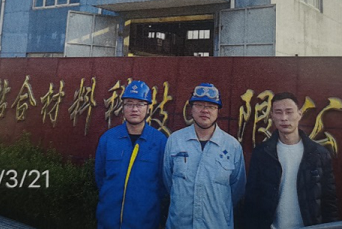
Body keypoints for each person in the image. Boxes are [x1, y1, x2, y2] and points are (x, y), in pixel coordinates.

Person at [243, 92, 339, 229]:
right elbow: (252, 200)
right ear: (272, 116)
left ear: (299, 114)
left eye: (289, 112)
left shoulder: (318, 154)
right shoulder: (262, 154)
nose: (284, 118)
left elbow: (329, 201)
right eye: (278, 112)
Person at [163, 83, 246, 229]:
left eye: (211, 106)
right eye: (199, 105)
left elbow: (237, 188)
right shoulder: (175, 140)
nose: (205, 110)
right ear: (191, 109)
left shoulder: (232, 146)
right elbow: (168, 181)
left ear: (218, 111)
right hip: (179, 224)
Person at [95, 80, 167, 229]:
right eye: (129, 104)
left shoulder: (160, 141)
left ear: (148, 108)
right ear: (123, 107)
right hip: (108, 221)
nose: (134, 109)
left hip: (144, 222)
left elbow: (163, 183)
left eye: (140, 104)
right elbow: (100, 176)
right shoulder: (108, 139)